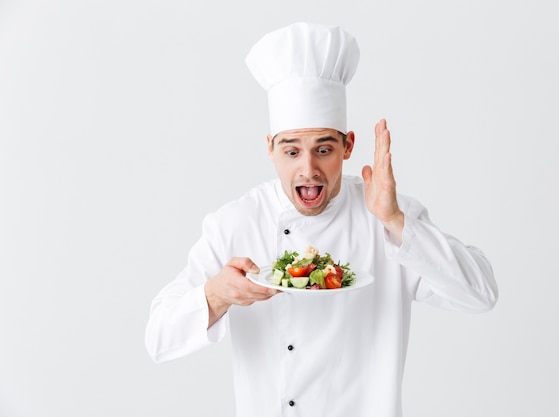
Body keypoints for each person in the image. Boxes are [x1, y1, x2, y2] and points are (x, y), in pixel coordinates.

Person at [145, 22, 498, 417]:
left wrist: (397, 220)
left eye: (324, 149)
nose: (308, 170)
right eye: (292, 152)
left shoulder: (384, 216)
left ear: (348, 146)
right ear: (270, 149)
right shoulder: (235, 222)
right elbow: (158, 338)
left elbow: (481, 294)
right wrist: (217, 296)